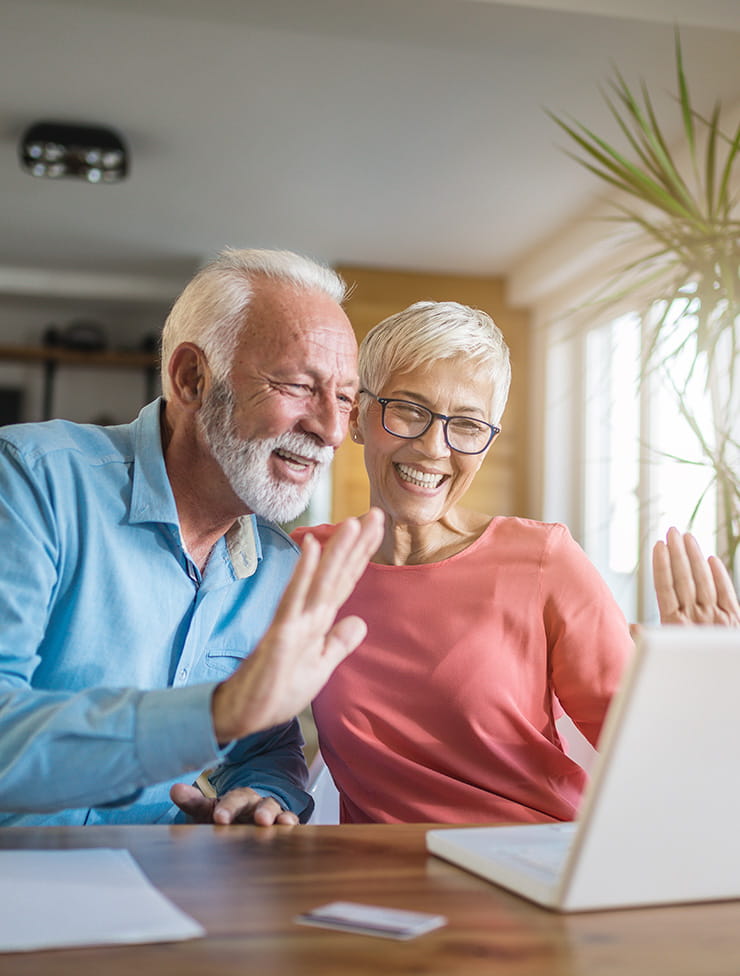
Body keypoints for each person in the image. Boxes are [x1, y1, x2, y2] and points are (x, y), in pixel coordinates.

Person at [293, 300, 740, 825]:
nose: (435, 447)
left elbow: (646, 759)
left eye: (467, 424)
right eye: (409, 410)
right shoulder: (302, 563)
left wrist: (707, 686)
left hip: (531, 863)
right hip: (379, 884)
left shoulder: (543, 561)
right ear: (359, 417)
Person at [0, 247, 384, 827]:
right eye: (298, 386)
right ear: (191, 378)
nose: (331, 429)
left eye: (345, 397)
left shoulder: (276, 564)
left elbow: (261, 744)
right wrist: (214, 712)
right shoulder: (31, 481)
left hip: (163, 890)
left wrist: (262, 795)